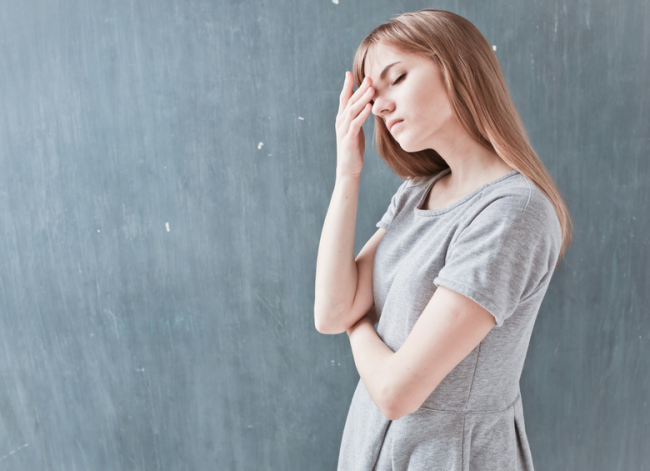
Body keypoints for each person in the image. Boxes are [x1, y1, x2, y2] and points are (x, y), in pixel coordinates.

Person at [313, 9, 573, 471]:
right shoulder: (419, 191)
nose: (379, 105)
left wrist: (360, 324)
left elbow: (396, 392)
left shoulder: (513, 212)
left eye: (396, 78)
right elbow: (331, 313)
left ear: (455, 66)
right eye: (373, 92)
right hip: (371, 446)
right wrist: (347, 173)